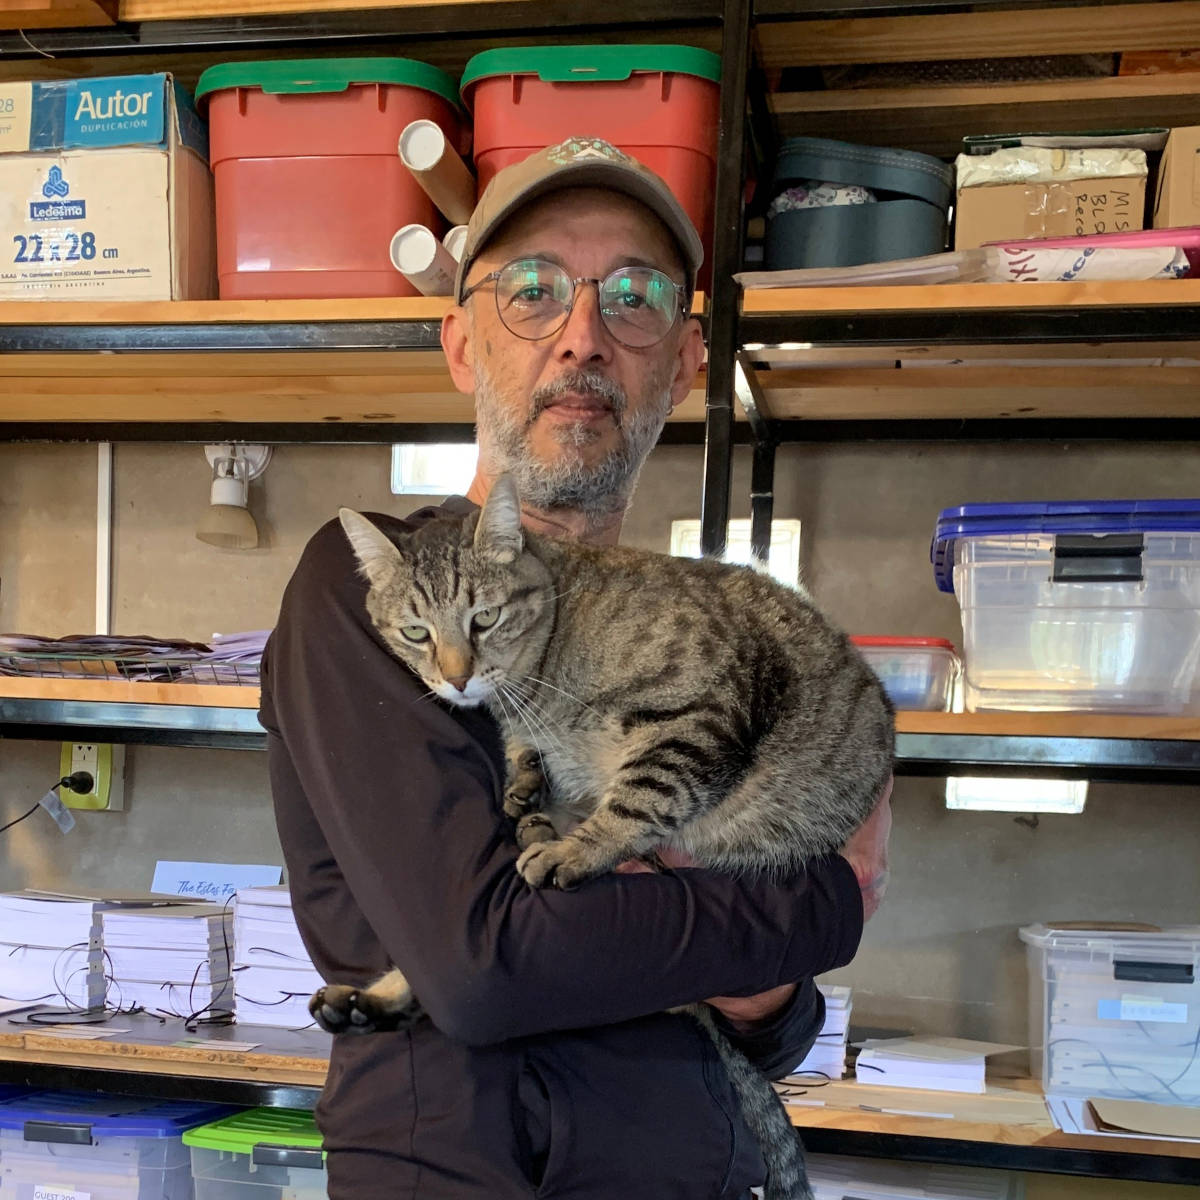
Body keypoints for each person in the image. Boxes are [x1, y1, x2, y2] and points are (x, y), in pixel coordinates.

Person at [260, 136, 892, 1200]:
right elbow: (484, 970)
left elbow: (764, 1035)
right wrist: (828, 903)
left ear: (688, 359)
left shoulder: (688, 625)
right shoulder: (367, 586)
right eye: (534, 292)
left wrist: (760, 980)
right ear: (462, 346)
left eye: (635, 296)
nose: (583, 338)